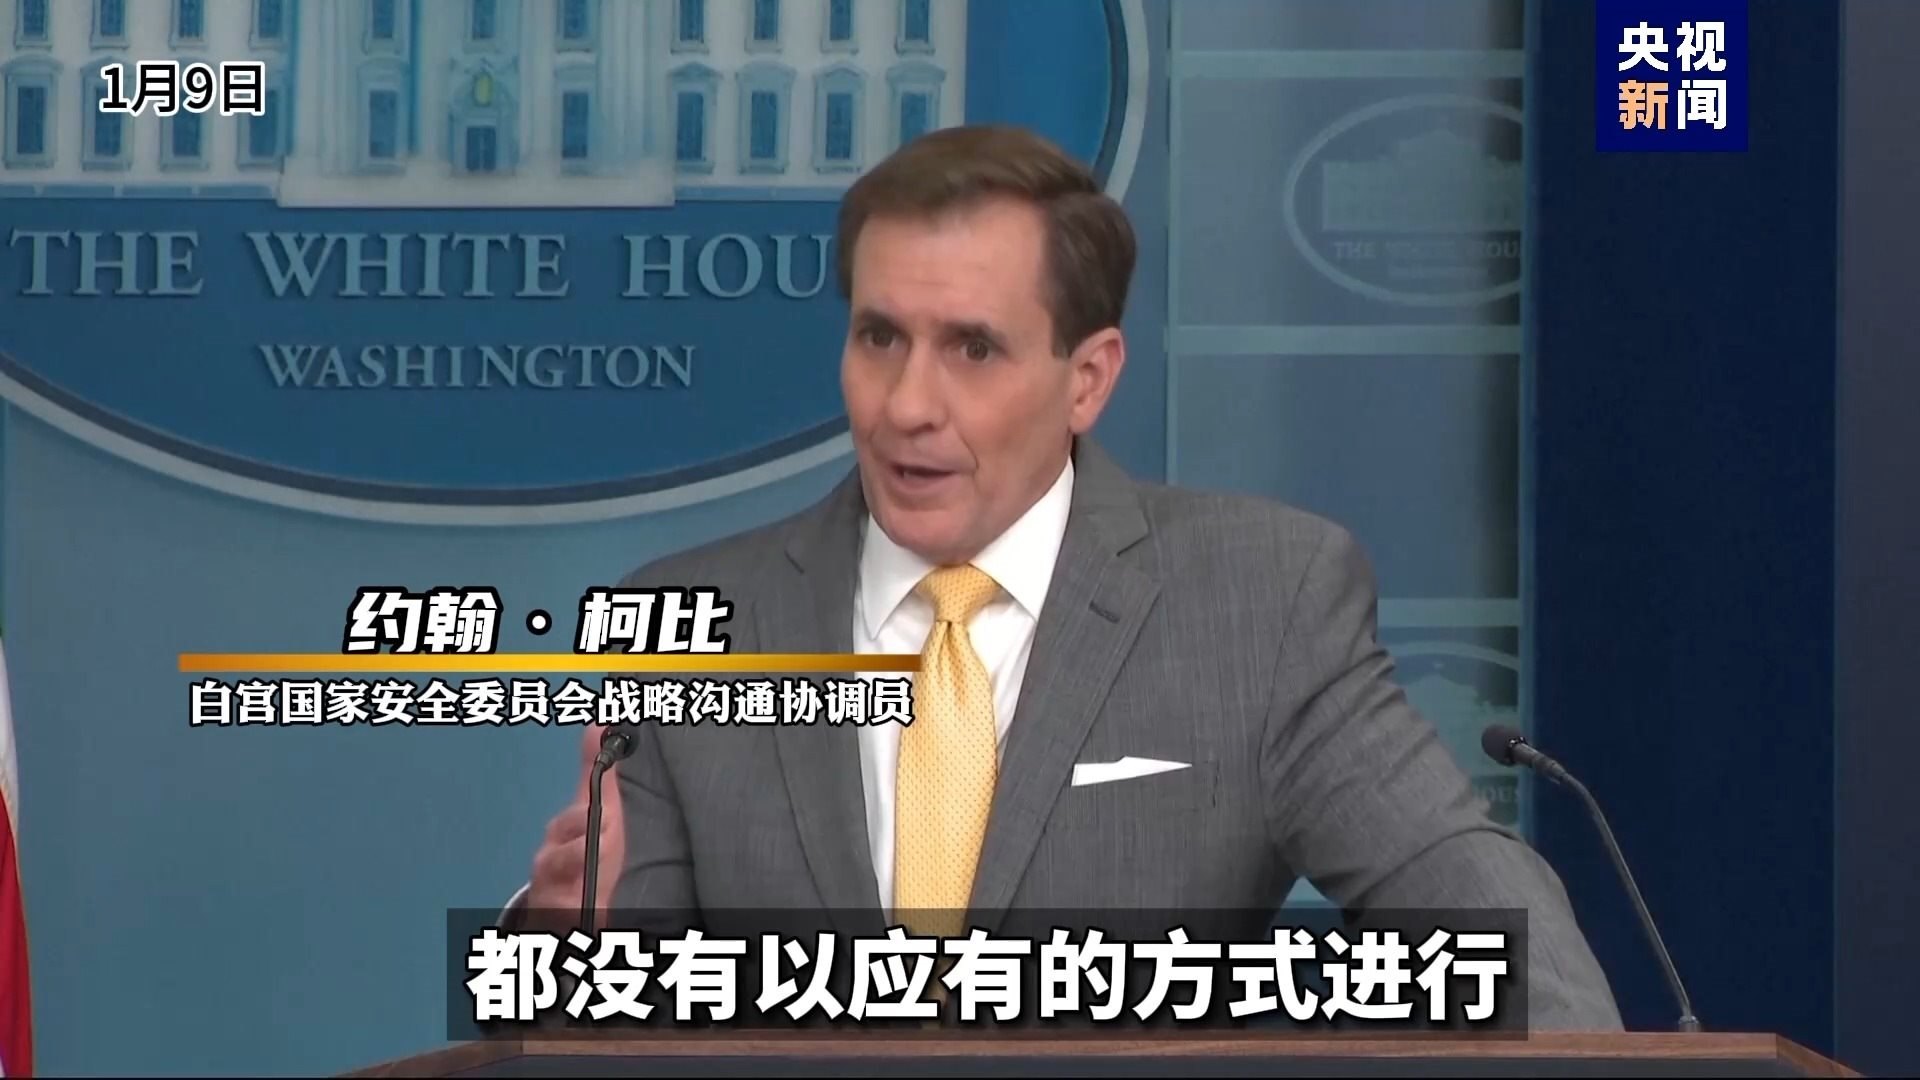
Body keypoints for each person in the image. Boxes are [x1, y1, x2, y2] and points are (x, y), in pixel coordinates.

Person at [512, 124, 1622, 1030]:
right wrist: (560, 951)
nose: (907, 405)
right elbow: (600, 1027)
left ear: (1088, 379)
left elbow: (1485, 926)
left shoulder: (1262, 608)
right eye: (880, 338)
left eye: (973, 349)